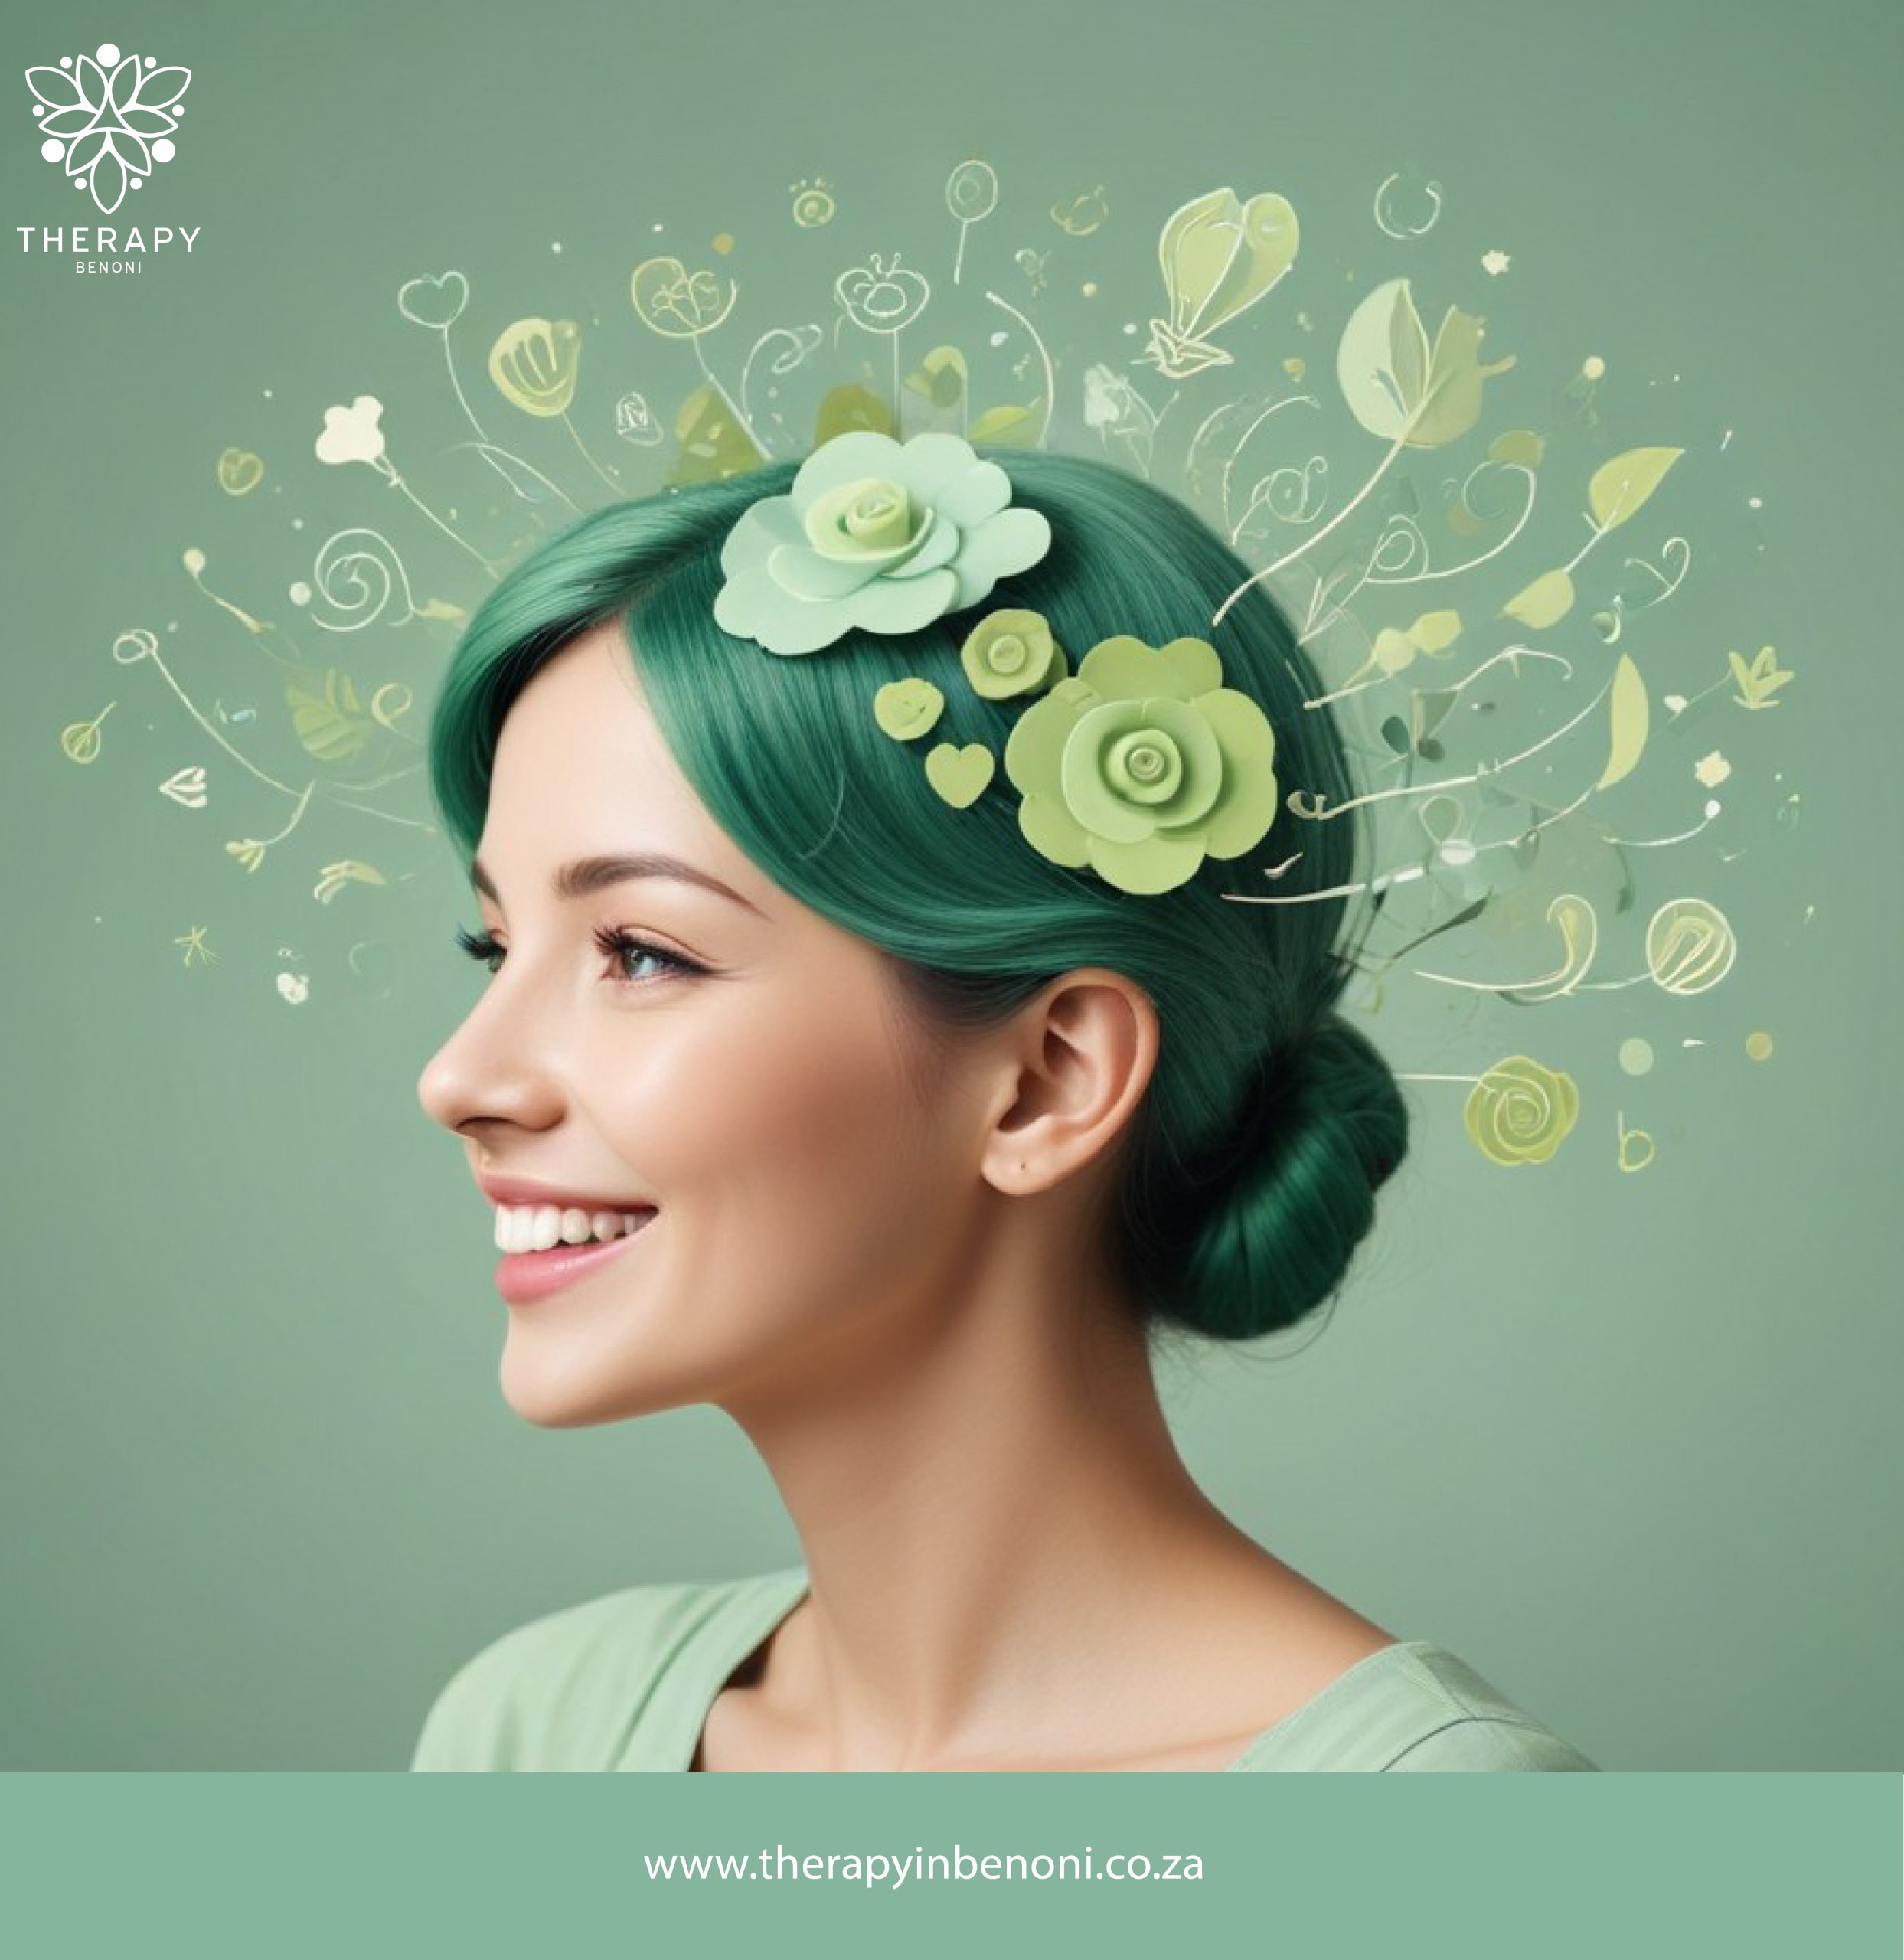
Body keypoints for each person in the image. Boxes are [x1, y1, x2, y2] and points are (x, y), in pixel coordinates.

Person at [410, 434, 1597, 1772]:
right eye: (495, 949)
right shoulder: (527, 1736)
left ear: (1047, 1081)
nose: (460, 1079)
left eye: (641, 952)